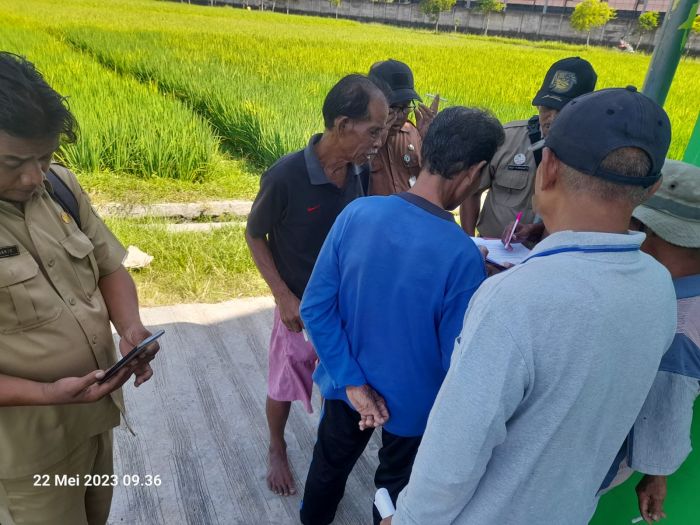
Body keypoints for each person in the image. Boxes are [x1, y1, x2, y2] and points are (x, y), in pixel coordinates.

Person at [384, 86, 677, 525]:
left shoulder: (514, 300)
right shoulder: (659, 286)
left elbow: (454, 454)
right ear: (650, 190)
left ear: (550, 167)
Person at [299, 105, 504, 525]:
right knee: (394, 492)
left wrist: (353, 381)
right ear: (474, 172)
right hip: (414, 407)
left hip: (345, 385)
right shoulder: (461, 255)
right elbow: (455, 360)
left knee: (328, 467)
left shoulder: (357, 214)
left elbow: (315, 307)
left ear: (426, 148)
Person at [0, 52, 159, 525]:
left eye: (44, 157)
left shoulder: (61, 188)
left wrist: (130, 328)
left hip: (94, 419)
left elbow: (110, 267)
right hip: (29, 450)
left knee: (96, 516)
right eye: (12, 162)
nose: (33, 176)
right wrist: (48, 394)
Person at [245, 74, 388, 497]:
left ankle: (326, 452)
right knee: (284, 380)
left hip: (342, 308)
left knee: (338, 379)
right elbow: (255, 234)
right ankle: (276, 445)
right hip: (298, 307)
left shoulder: (359, 172)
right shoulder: (285, 175)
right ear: (344, 126)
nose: (380, 139)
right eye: (374, 130)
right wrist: (282, 295)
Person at [613, 160, 699, 524]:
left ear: (648, 232)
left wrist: (655, 472)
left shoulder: (675, 326)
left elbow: (664, 416)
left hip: (599, 459)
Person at [459, 56, 597, 241]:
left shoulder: (592, 154)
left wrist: (537, 230)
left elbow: (588, 216)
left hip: (550, 259)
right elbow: (471, 192)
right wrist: (471, 243)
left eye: (563, 110)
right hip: (493, 254)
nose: (552, 118)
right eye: (547, 107)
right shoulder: (507, 138)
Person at [367, 59, 438, 196]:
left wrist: (430, 140)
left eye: (406, 107)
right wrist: (379, 134)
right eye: (393, 107)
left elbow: (432, 182)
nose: (400, 115)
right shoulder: (359, 136)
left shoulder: (411, 133)